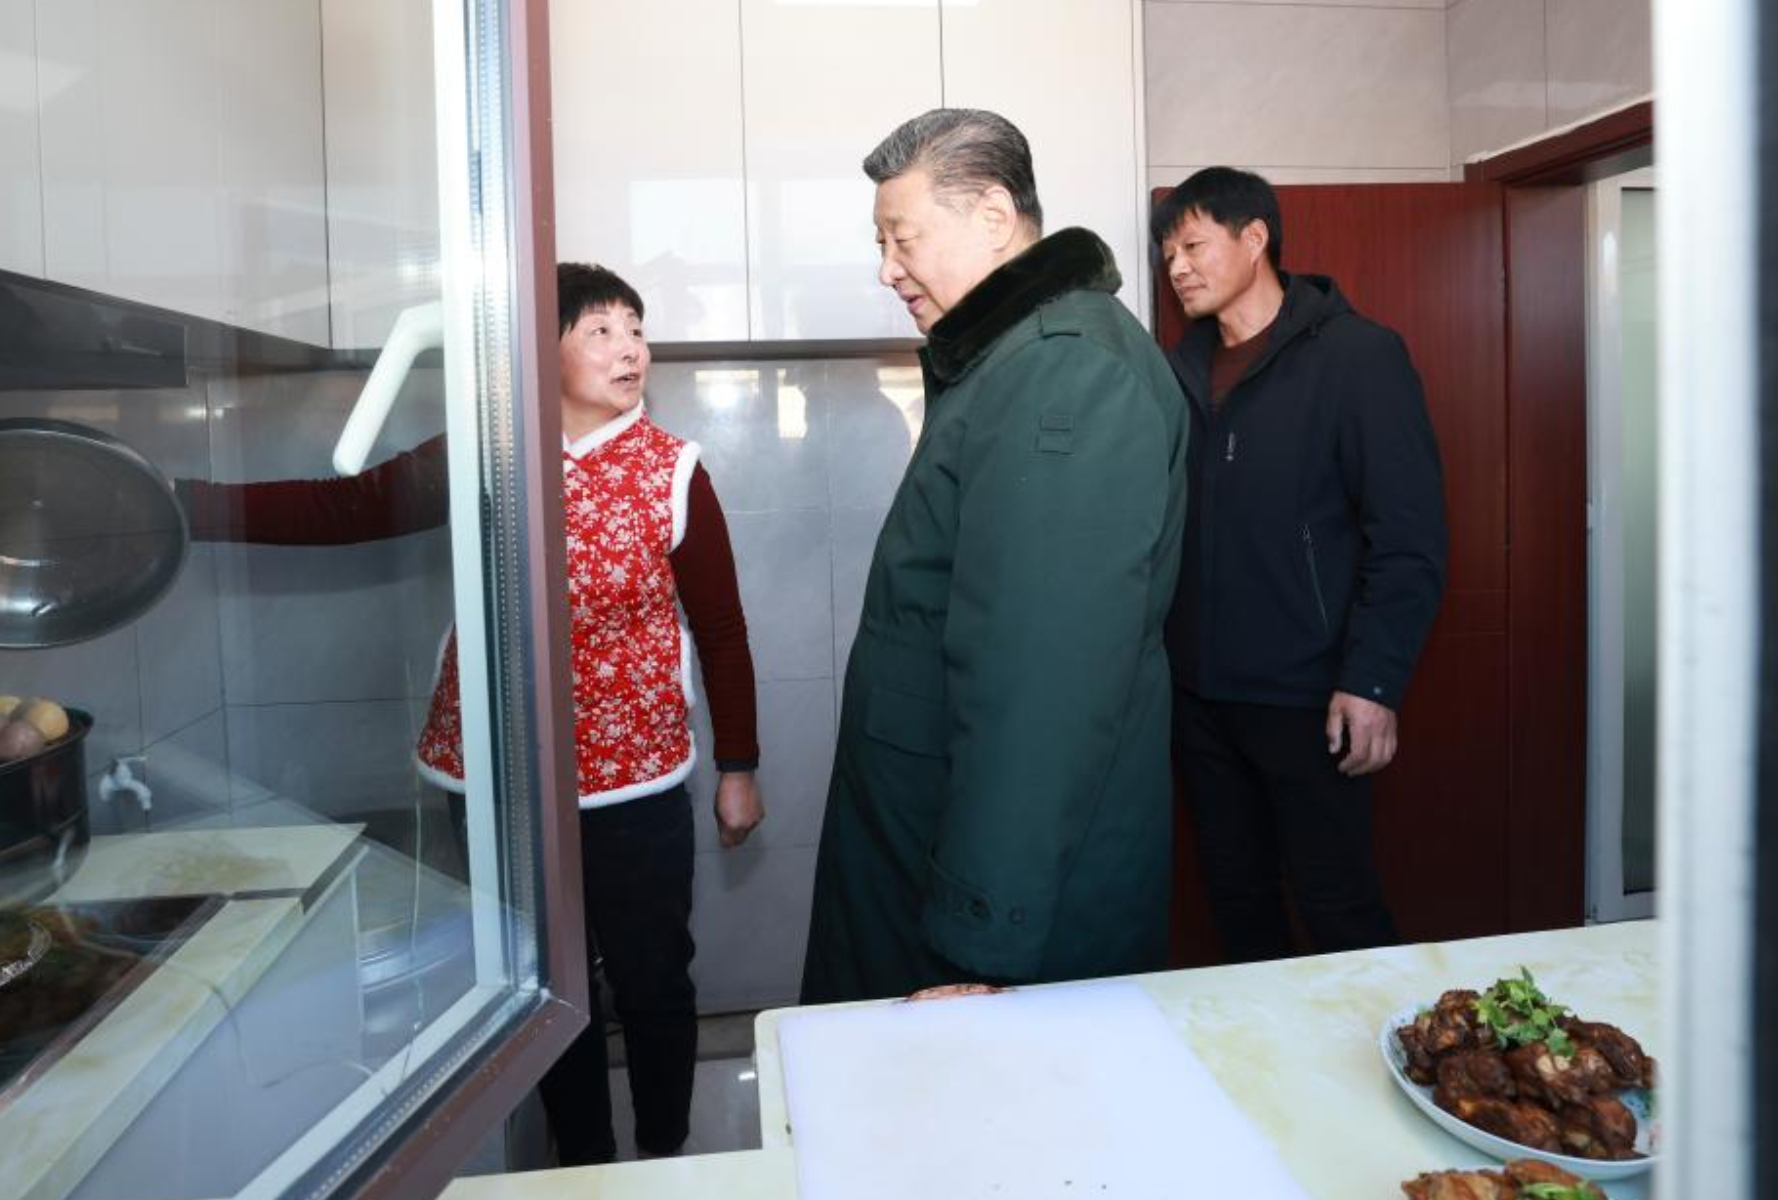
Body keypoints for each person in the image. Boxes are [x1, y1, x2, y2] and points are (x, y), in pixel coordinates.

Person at [178, 262, 764, 1164]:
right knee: (546, 989)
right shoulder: (486, 453)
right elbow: (347, 506)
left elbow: (721, 629)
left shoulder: (674, 471)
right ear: (544, 350)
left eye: (635, 329)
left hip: (637, 782)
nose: (630, 348)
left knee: (653, 983)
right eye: (599, 329)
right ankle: (585, 1169)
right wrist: (186, 508)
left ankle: (663, 1157)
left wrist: (738, 767)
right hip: (500, 779)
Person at [797, 109, 1188, 1004]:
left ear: (993, 217)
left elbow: (1040, 684)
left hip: (988, 905)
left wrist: (981, 946)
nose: (887, 268)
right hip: (928, 837)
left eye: (903, 238)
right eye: (880, 242)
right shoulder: (1011, 357)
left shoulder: (1066, 373)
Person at [1151, 167, 1447, 963]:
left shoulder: (1358, 357)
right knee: (1236, 907)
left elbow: (1410, 539)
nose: (1176, 267)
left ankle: (1380, 1074)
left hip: (1311, 698)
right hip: (1200, 697)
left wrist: (1374, 682)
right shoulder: (1174, 372)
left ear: (1256, 240)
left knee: (1338, 906)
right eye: (1166, 253)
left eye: (1192, 245)